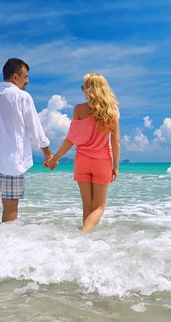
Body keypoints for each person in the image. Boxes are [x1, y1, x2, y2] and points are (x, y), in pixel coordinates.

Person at [0, 58, 52, 224]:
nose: (27, 80)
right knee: (10, 204)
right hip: (13, 159)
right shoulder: (23, 97)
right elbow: (35, 128)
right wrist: (48, 153)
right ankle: (7, 247)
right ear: (15, 76)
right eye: (25, 76)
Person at [46, 73, 120, 232]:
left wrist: (54, 159)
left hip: (82, 162)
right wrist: (116, 166)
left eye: (83, 87)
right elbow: (116, 142)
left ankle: (86, 241)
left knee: (87, 205)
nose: (82, 90)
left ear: (89, 90)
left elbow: (70, 139)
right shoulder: (112, 111)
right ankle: (83, 234)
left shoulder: (79, 109)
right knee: (99, 207)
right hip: (102, 161)